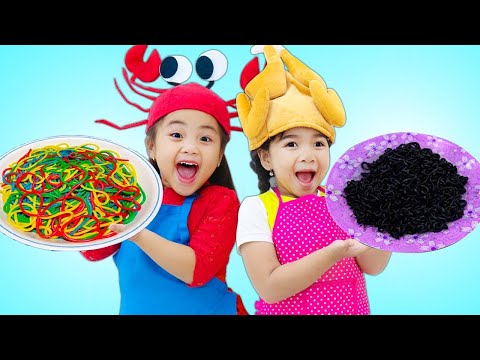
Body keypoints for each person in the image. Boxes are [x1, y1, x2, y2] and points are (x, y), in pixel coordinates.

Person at [235, 45, 391, 315]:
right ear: (266, 158)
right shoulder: (257, 209)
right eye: (292, 144)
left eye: (319, 144)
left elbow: (373, 267)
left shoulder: (346, 201)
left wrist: (384, 226)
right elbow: (270, 288)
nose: (308, 155)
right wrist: (332, 254)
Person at [82, 82, 248, 315]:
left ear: (220, 155)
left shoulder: (221, 201)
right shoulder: (128, 198)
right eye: (177, 135)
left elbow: (196, 270)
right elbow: (94, 252)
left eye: (205, 139)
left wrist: (138, 234)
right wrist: (83, 204)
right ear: (152, 147)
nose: (191, 147)